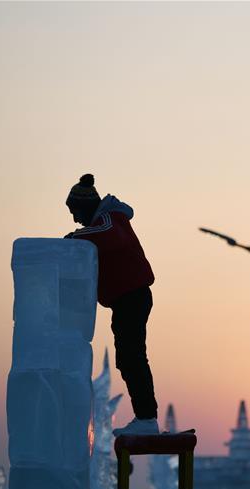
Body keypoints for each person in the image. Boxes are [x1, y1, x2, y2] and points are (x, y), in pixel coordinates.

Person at [65, 173, 158, 436]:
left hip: (133, 297)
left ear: (85, 206)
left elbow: (107, 235)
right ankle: (145, 417)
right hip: (124, 300)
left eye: (75, 212)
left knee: (132, 356)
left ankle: (147, 417)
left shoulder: (109, 218)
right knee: (128, 358)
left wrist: (74, 238)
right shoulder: (104, 221)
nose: (75, 219)